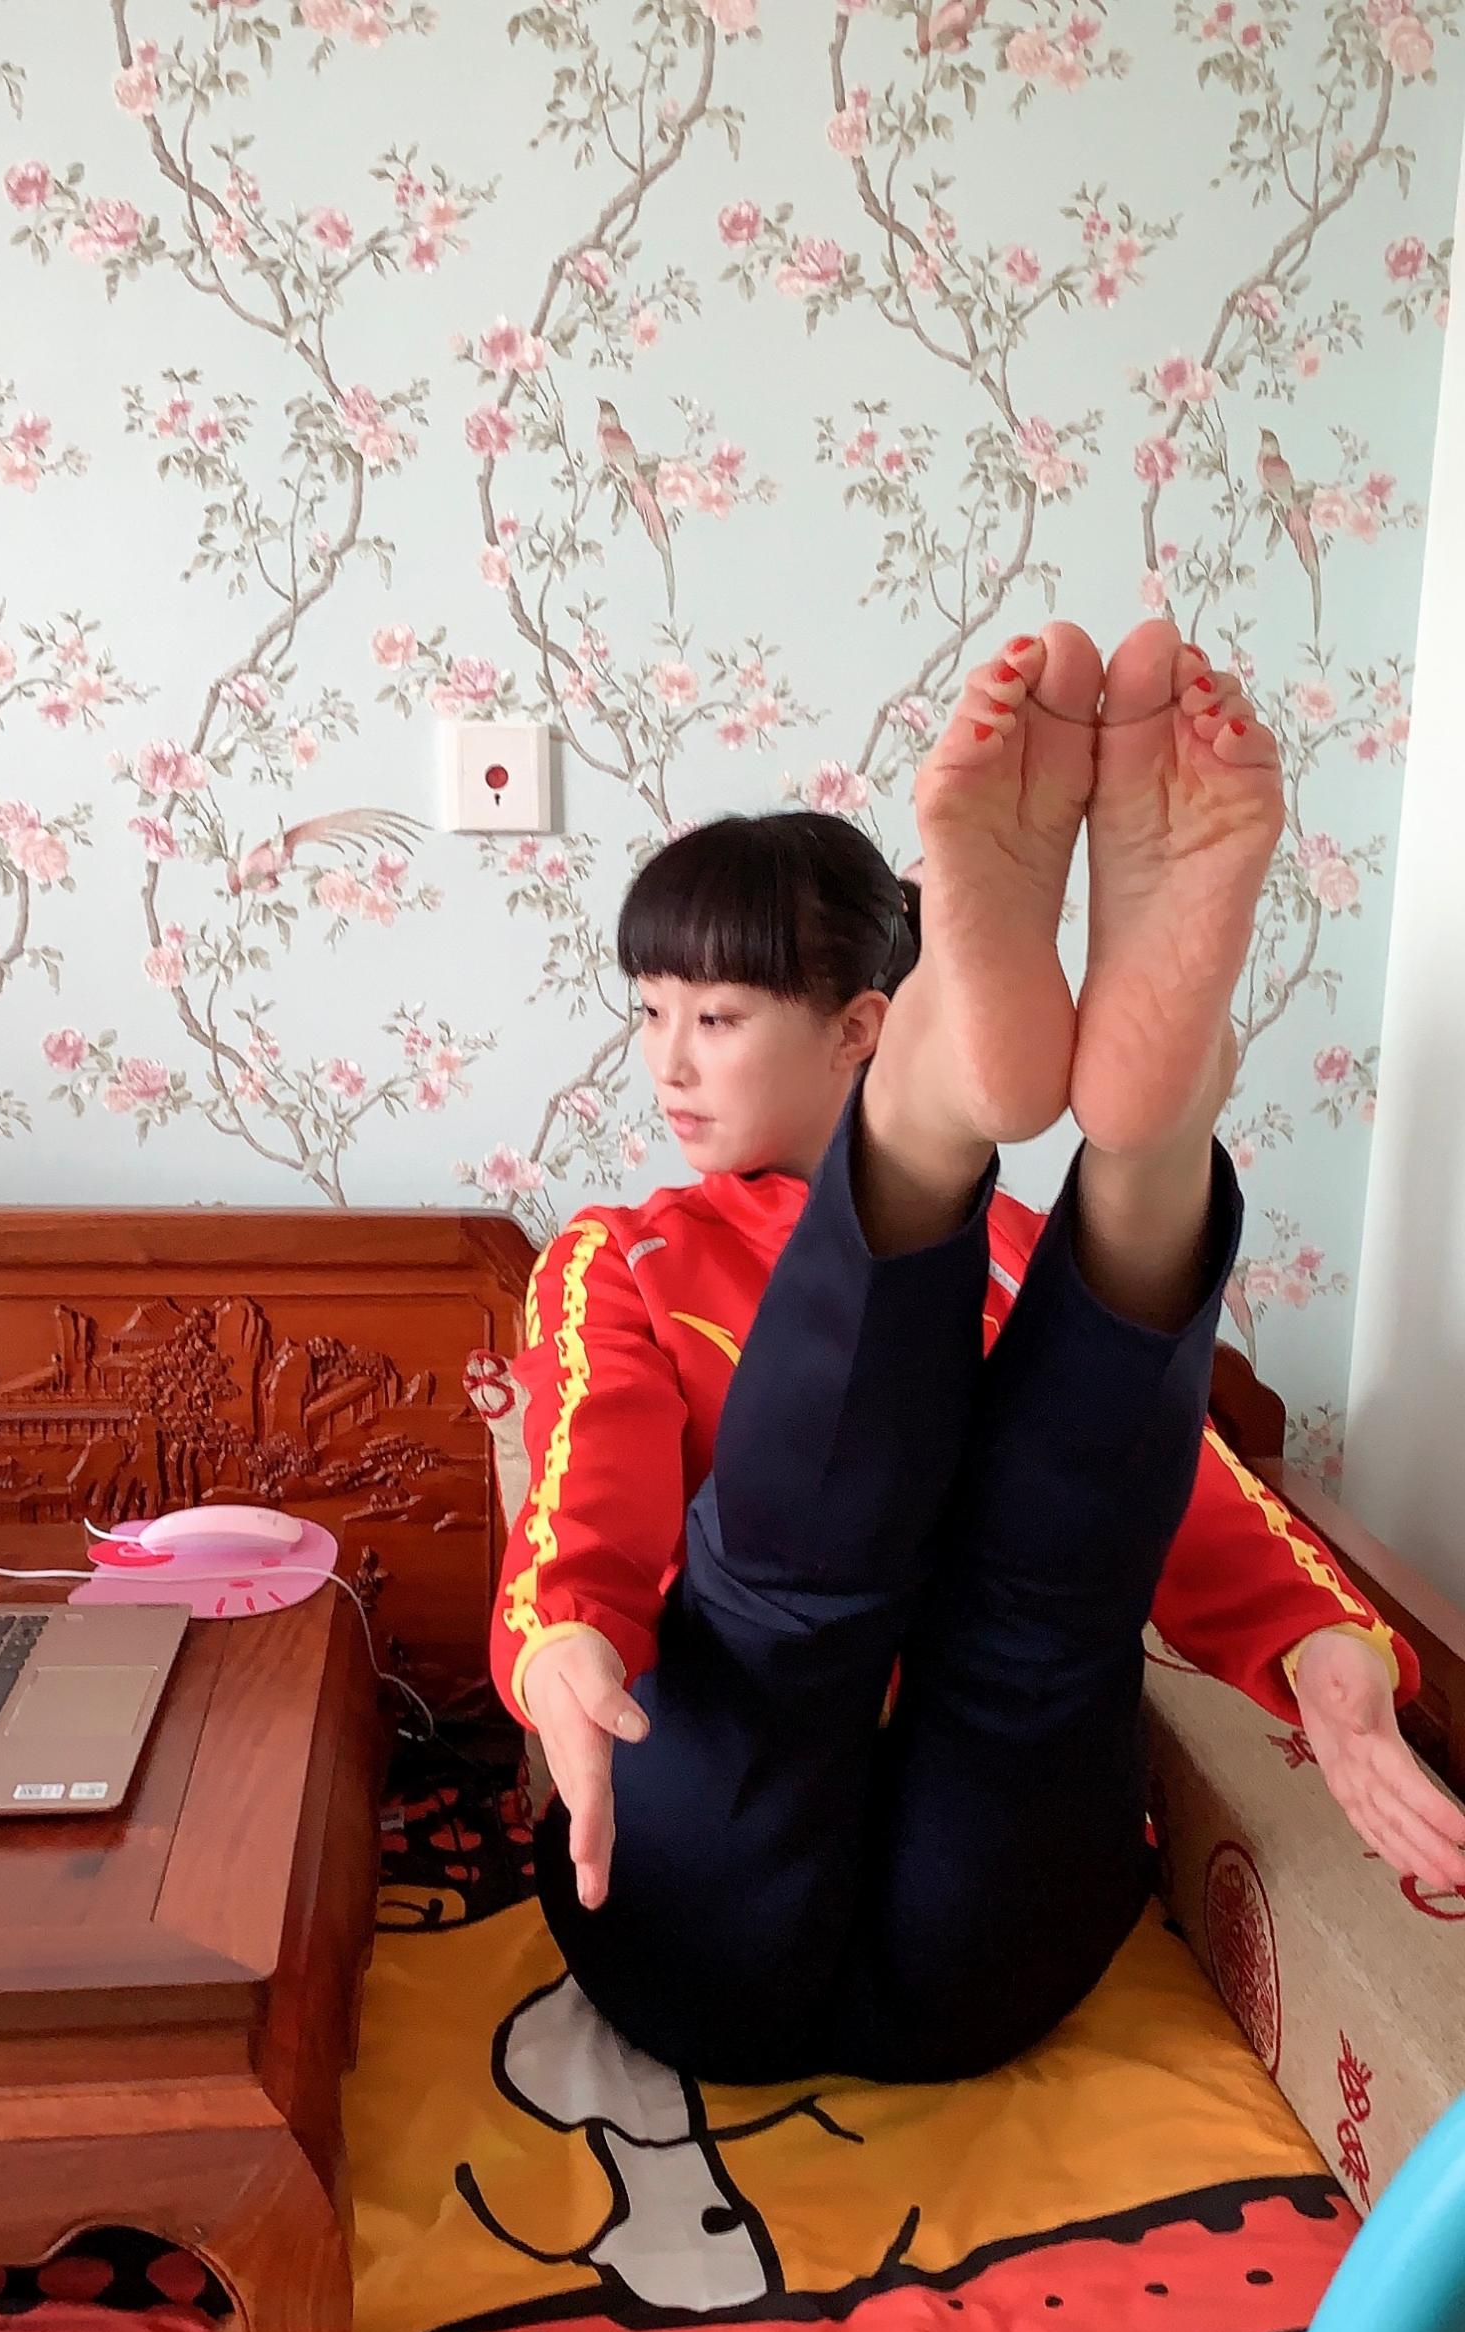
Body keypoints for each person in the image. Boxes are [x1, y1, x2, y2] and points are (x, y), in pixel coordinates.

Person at [493, 617, 1465, 2090]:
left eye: (717, 1015)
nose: (666, 1063)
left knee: (1014, 1597)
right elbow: (588, 1463)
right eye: (650, 1012)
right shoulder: (621, 1253)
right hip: (730, 1864)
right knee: (834, 1589)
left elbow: (1179, 1481)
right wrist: (567, 1635)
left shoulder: (997, 1261)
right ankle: (1049, 1132)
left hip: (955, 1911)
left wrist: (1324, 1645)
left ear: (853, 1027)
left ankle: (1134, 1140)